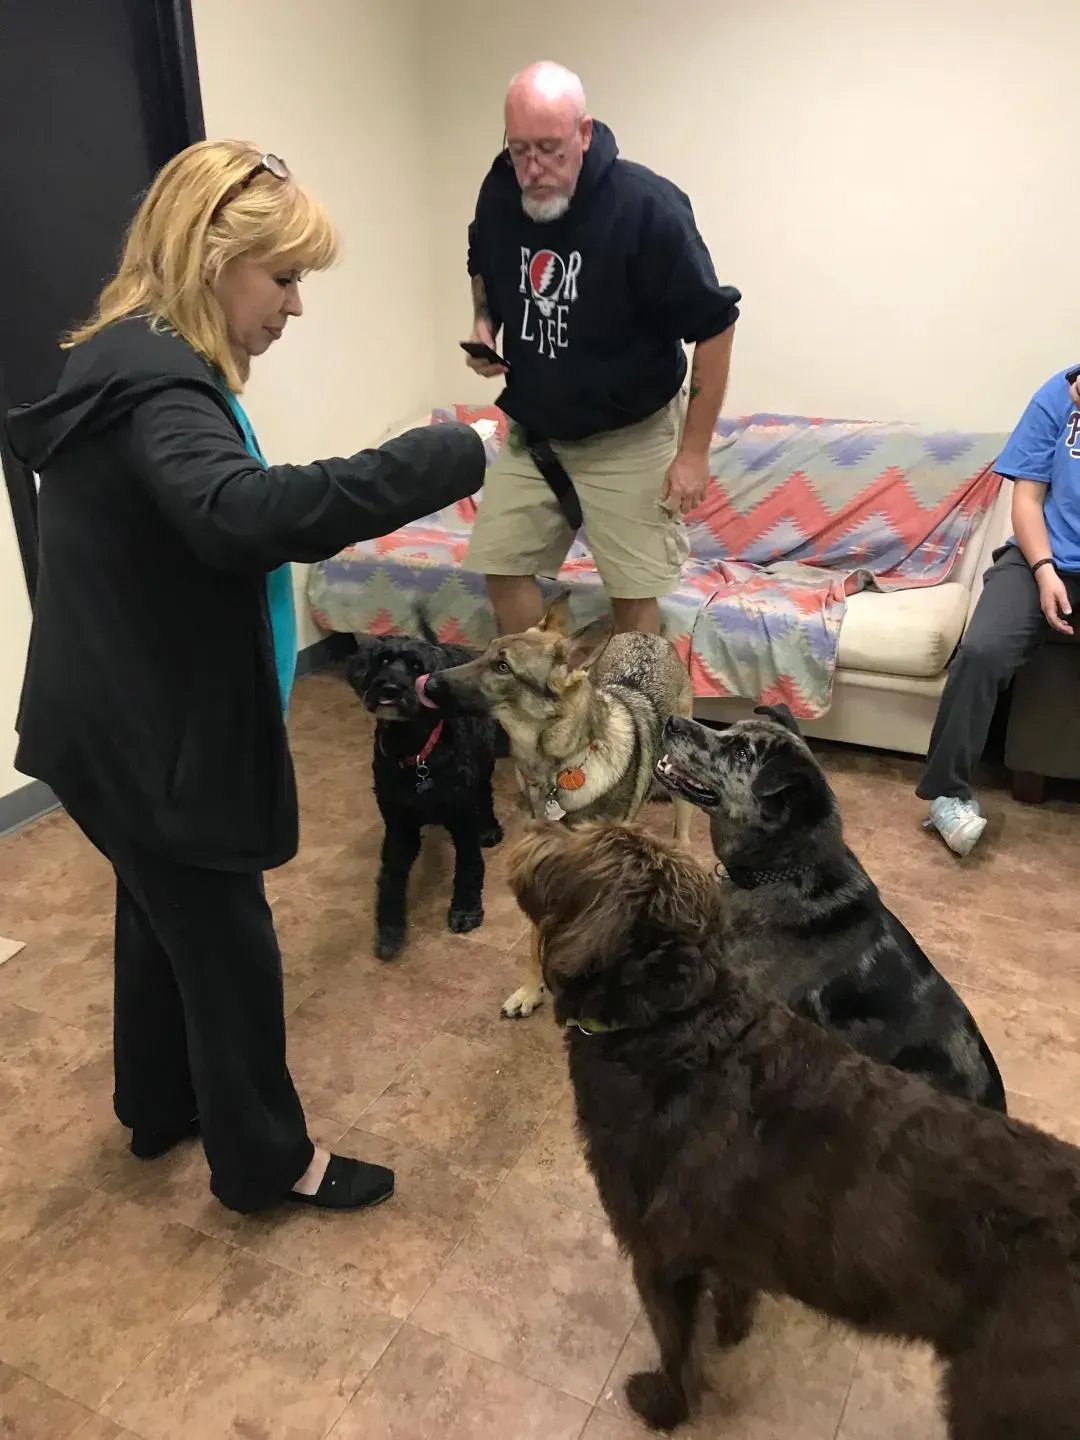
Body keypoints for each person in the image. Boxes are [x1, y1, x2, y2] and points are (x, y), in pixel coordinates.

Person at [4, 140, 486, 1213]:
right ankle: (269, 1165)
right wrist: (448, 454)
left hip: (102, 725)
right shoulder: (164, 385)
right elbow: (240, 515)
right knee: (226, 947)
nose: (295, 307)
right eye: (284, 279)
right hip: (149, 738)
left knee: (157, 909)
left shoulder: (117, 357)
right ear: (211, 258)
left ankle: (159, 1107)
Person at [463, 60, 741, 637]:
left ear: (584, 134)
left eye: (550, 149)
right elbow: (481, 262)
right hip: (536, 431)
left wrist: (693, 453)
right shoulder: (499, 190)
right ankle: (553, 713)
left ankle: (636, 726)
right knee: (499, 565)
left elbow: (715, 323)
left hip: (629, 433)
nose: (534, 169)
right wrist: (484, 326)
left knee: (633, 597)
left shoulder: (647, 208)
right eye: (520, 151)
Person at [917, 364, 1080, 856]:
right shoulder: (1058, 394)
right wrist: (1045, 570)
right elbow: (1027, 500)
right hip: (1043, 558)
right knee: (982, 651)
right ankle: (947, 794)